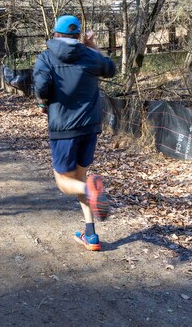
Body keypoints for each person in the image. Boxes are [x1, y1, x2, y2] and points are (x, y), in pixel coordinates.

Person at [33, 15, 116, 251]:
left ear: (55, 34)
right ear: (79, 35)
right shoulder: (89, 55)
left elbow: (40, 87)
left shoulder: (46, 57)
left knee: (65, 183)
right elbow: (110, 69)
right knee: (80, 176)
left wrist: (42, 102)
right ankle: (91, 235)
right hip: (90, 127)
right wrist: (94, 48)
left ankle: (89, 190)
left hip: (63, 127)